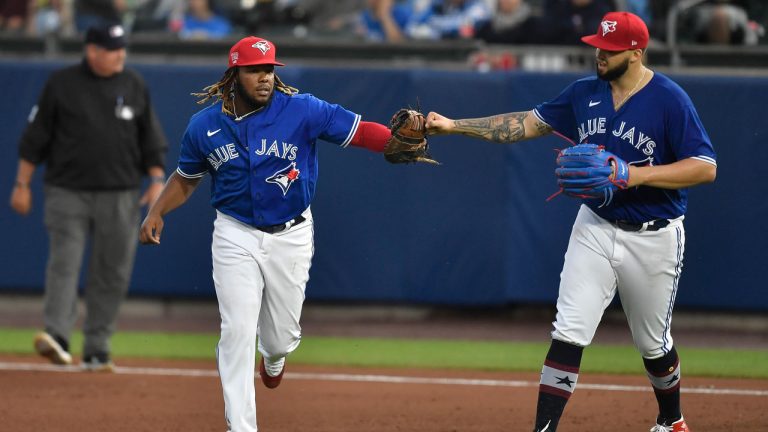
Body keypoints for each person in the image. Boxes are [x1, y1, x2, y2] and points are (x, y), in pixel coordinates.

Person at [426, 11, 716, 432]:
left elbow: (705, 167)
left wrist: (634, 175)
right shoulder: (584, 93)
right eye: (598, 44)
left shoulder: (671, 99)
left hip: (654, 235)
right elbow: (525, 124)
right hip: (595, 225)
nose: (599, 53)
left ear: (635, 54)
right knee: (569, 329)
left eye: (610, 49)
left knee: (653, 344)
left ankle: (671, 420)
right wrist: (454, 126)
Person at [139, 35, 416, 432]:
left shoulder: (303, 109)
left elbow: (356, 131)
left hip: (292, 234)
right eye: (255, 70)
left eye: (269, 69)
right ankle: (242, 426)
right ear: (234, 74)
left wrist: (393, 141)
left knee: (280, 337)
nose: (265, 77)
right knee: (236, 330)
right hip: (235, 234)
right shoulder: (204, 126)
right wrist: (156, 211)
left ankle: (275, 355)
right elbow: (186, 178)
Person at [10, 23, 168, 372]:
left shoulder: (133, 83)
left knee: (112, 270)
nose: (120, 54)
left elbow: (150, 139)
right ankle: (58, 336)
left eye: (122, 47)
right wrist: (22, 184)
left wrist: (156, 179)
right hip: (68, 192)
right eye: (113, 49)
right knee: (64, 262)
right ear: (91, 50)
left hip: (121, 194)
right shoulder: (61, 84)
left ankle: (98, 345)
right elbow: (34, 139)